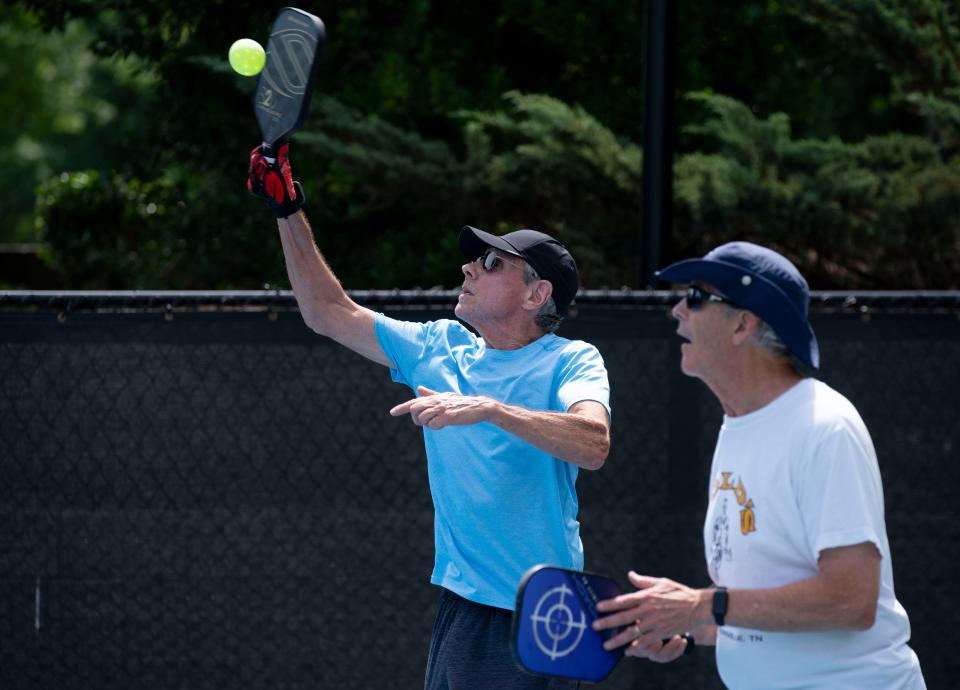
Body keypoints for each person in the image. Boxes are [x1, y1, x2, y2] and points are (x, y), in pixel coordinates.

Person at [247, 143, 611, 689]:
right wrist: (287, 209)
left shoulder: (571, 360)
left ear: (537, 294)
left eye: (492, 263)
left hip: (541, 613)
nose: (469, 266)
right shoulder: (439, 346)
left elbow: (593, 444)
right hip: (463, 606)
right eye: (475, 258)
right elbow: (327, 312)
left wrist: (490, 409)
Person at [592, 242, 925, 689]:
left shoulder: (825, 426)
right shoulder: (738, 425)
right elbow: (757, 617)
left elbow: (852, 599)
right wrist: (683, 623)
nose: (677, 311)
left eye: (695, 296)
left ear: (742, 325)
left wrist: (703, 605)